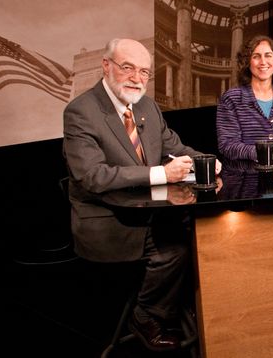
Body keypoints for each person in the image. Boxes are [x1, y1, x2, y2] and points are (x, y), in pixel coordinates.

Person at [63, 38, 221, 352]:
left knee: (204, 234)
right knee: (175, 249)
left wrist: (207, 160)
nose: (137, 78)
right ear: (106, 66)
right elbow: (92, 176)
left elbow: (175, 148)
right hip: (106, 219)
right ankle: (146, 314)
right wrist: (161, 173)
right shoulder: (80, 111)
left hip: (149, 209)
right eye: (128, 68)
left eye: (145, 72)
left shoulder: (146, 105)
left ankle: (190, 309)